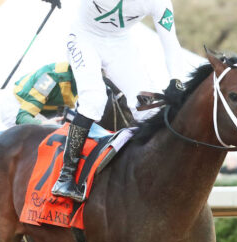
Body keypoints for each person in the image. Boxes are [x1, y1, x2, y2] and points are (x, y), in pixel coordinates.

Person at [43, 0, 188, 201]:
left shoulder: (159, 3)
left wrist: (177, 80)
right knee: (94, 100)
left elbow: (171, 43)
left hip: (120, 44)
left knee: (148, 108)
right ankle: (65, 176)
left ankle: (155, 173)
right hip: (84, 36)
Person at [0, 62, 78, 128]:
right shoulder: (50, 78)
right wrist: (43, 124)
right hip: (17, 109)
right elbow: (22, 117)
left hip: (46, 111)